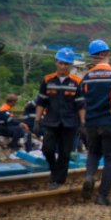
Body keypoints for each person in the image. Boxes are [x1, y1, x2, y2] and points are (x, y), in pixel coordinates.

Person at [78, 39, 111, 206]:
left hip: (91, 122)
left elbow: (82, 103)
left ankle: (89, 176)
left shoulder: (85, 77)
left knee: (93, 153)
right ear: (106, 54)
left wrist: (84, 122)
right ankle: (102, 196)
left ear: (93, 57)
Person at [35, 48, 83, 189]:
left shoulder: (76, 82)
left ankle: (58, 180)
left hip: (70, 123)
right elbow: (41, 102)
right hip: (51, 121)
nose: (63, 66)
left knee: (65, 152)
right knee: (47, 149)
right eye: (61, 63)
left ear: (71, 65)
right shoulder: (47, 80)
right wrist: (37, 120)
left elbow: (81, 104)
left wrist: (83, 123)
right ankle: (54, 171)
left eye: (67, 64)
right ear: (56, 62)